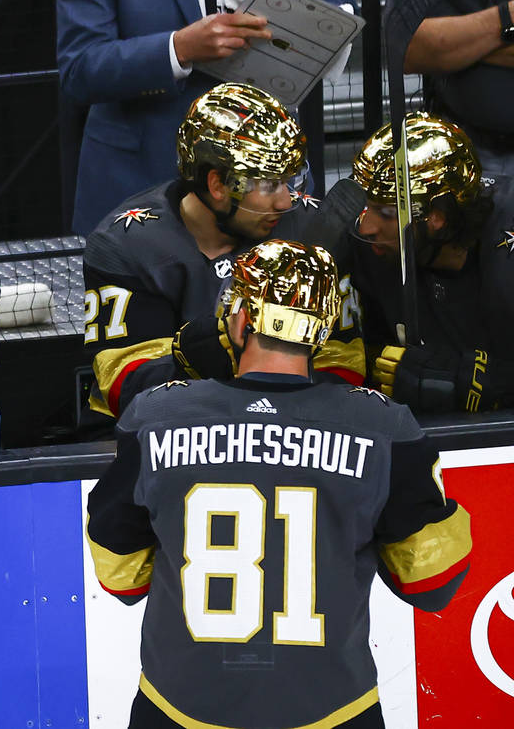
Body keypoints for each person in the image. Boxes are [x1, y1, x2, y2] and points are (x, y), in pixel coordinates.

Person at [87, 238, 472, 728]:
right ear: (323, 329)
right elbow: (432, 583)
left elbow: (119, 577)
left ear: (243, 320)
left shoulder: (157, 416)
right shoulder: (384, 428)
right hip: (335, 710)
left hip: (178, 709)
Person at [57, 0, 353, 235]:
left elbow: (335, 3)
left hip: (271, 184)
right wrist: (178, 49)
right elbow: (80, 67)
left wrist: (305, 33)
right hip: (149, 190)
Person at [84, 83, 364, 422]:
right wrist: (192, 355)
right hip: (170, 441)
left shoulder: (311, 233)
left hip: (296, 427)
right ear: (217, 184)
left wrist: (266, 401)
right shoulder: (127, 246)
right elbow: (125, 390)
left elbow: (345, 367)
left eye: (290, 181)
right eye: (270, 184)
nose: (286, 201)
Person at [349, 112, 514, 414]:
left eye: (385, 213)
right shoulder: (372, 252)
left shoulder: (505, 257)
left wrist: (477, 383)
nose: (366, 228)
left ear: (436, 218)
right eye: (366, 208)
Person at [389, 0, 514, 177]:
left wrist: (455, 42)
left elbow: (422, 42)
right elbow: (405, 48)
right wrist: (506, 21)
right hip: (459, 150)